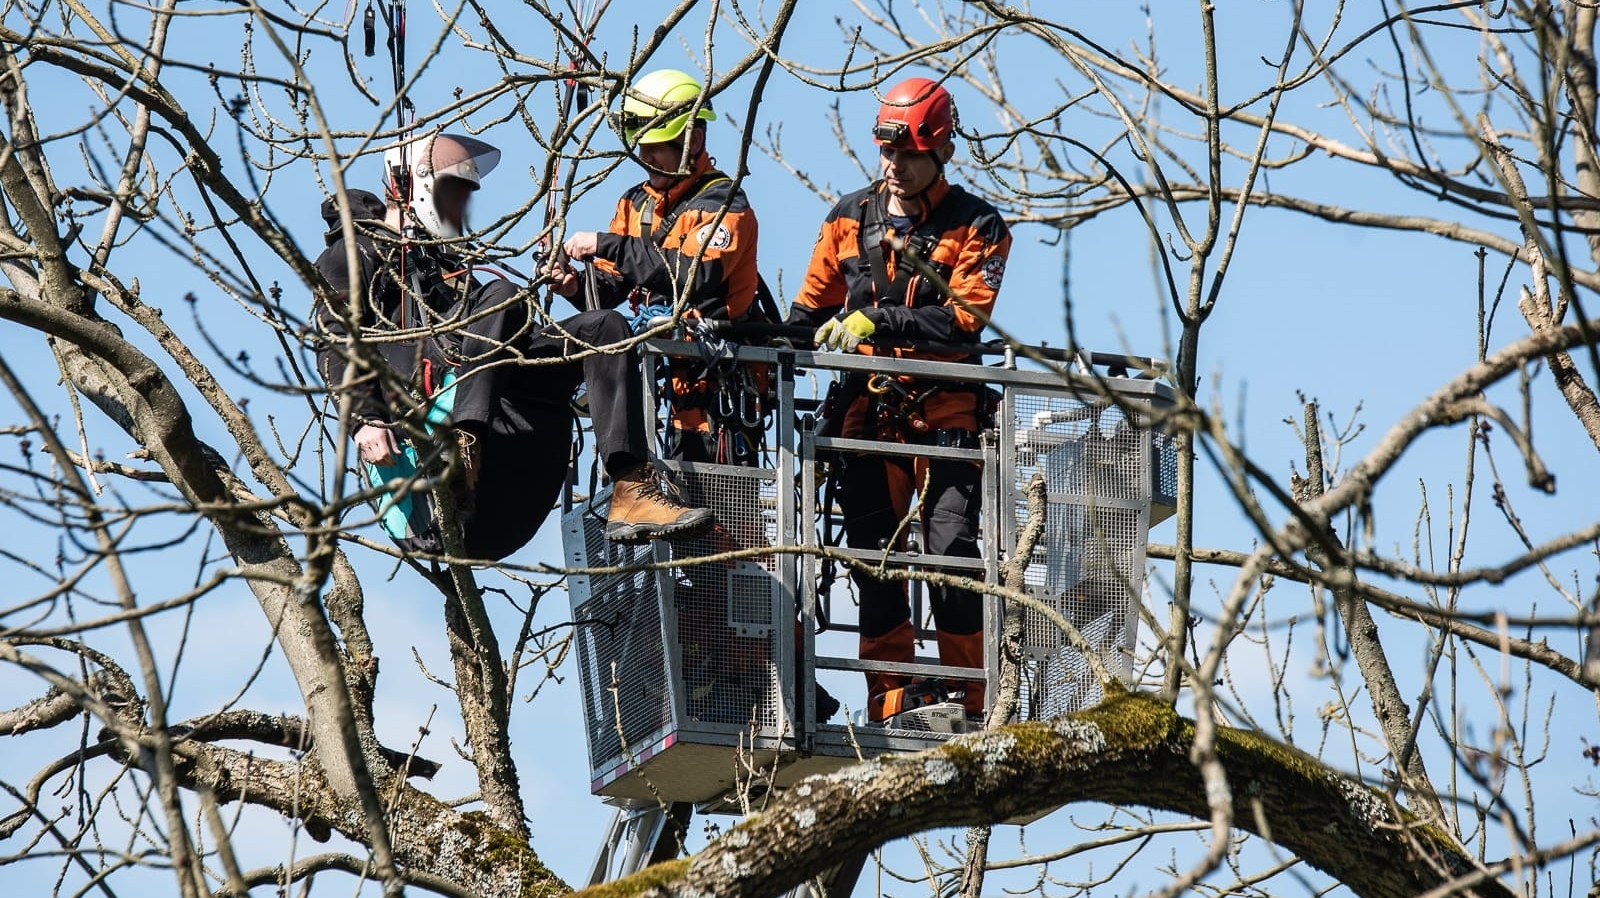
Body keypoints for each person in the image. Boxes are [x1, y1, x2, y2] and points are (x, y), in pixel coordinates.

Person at [313, 131, 712, 559]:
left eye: (466, 197)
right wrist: (364, 419)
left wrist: (571, 286)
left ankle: (632, 487)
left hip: (497, 454)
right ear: (410, 189)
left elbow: (498, 332)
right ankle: (463, 450)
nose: (460, 209)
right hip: (421, 443)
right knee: (501, 296)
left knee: (605, 327)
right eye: (452, 193)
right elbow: (334, 338)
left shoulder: (447, 266)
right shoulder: (356, 253)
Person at [787, 77, 1013, 724]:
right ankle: (891, 695)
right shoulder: (847, 219)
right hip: (868, 413)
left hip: (945, 413)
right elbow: (808, 313)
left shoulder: (978, 225)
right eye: (887, 154)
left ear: (939, 151)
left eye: (908, 155)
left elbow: (963, 322)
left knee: (948, 552)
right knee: (872, 557)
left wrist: (874, 322)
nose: (894, 167)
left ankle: (972, 694)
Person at [550, 68, 767, 465]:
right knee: (656, 503)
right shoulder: (636, 203)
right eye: (642, 145)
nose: (645, 156)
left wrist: (606, 244)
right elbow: (611, 288)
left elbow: (693, 276)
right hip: (654, 382)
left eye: (657, 145)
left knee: (722, 509)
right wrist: (573, 287)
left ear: (693, 140)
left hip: (711, 387)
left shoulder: (725, 204)